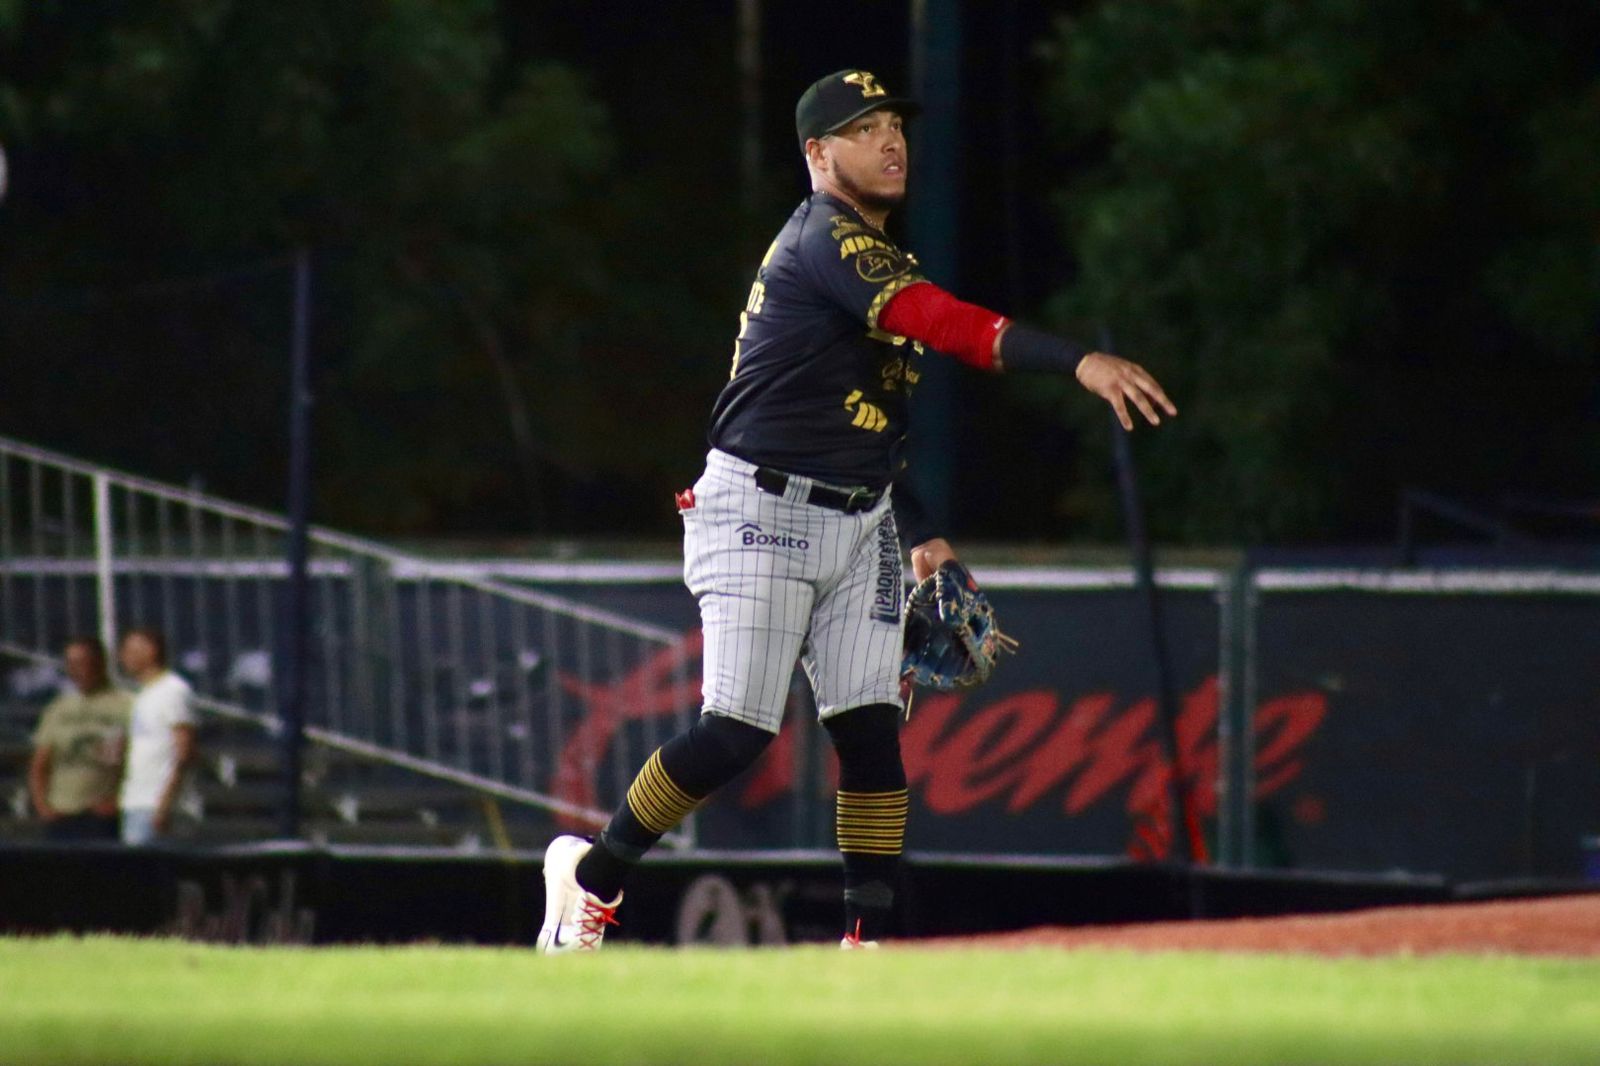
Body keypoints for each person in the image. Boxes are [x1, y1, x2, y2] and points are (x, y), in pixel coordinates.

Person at [537, 68, 1176, 952]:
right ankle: (590, 878)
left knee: (871, 735)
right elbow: (941, 320)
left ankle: (861, 949)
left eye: (894, 125)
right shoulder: (824, 239)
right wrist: (1076, 361)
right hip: (760, 507)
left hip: (861, 516)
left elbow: (870, 426)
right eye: (864, 128)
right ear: (817, 152)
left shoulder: (874, 258)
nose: (890, 140)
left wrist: (924, 533)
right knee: (734, 732)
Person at [28, 637, 132, 842]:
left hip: (102, 814)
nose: (76, 670)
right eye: (71, 663)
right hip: (61, 812)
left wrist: (118, 800)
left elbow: (135, 757)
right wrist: (42, 806)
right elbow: (40, 762)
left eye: (82, 662)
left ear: (99, 663)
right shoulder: (58, 708)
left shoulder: (125, 704)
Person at [116, 626, 198, 845]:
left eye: (130, 651)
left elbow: (184, 751)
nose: (123, 657)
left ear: (151, 651)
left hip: (159, 805)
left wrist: (165, 803)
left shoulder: (173, 690)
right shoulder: (143, 695)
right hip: (137, 801)